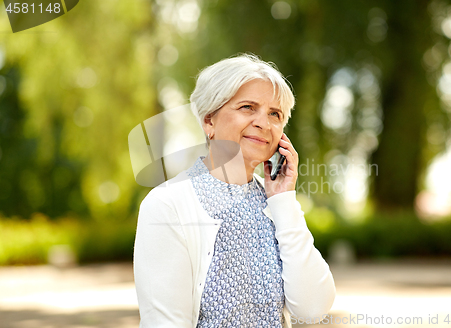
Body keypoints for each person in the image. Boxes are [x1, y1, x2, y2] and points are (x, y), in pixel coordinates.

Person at [133, 53, 335, 328]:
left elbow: (312, 309)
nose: (264, 123)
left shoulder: (276, 204)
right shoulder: (167, 205)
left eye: (275, 114)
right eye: (248, 107)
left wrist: (284, 199)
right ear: (209, 121)